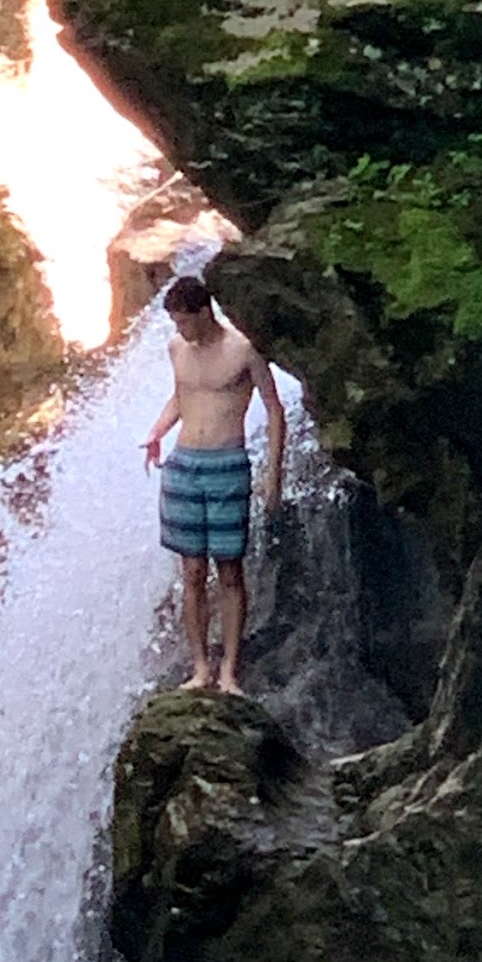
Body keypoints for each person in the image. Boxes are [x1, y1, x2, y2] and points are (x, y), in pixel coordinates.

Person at [142, 275, 285, 694]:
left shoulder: (242, 350)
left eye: (184, 322)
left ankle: (229, 672)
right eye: (175, 323)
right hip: (184, 464)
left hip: (227, 464)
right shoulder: (177, 349)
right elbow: (182, 397)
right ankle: (201, 667)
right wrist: (156, 433)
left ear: (205, 312)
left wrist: (273, 472)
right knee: (190, 571)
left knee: (229, 572)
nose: (179, 331)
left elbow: (275, 411)